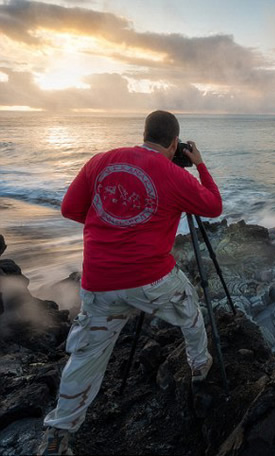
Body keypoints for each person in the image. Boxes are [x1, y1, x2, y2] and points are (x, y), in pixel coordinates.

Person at [38, 110, 222, 456]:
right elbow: (213, 206)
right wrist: (199, 166)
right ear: (174, 143)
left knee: (87, 354)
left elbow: (70, 209)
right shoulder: (174, 174)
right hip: (152, 280)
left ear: (144, 134)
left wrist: (112, 224)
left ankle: (59, 433)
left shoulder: (101, 161)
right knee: (190, 309)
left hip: (99, 282)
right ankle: (200, 365)